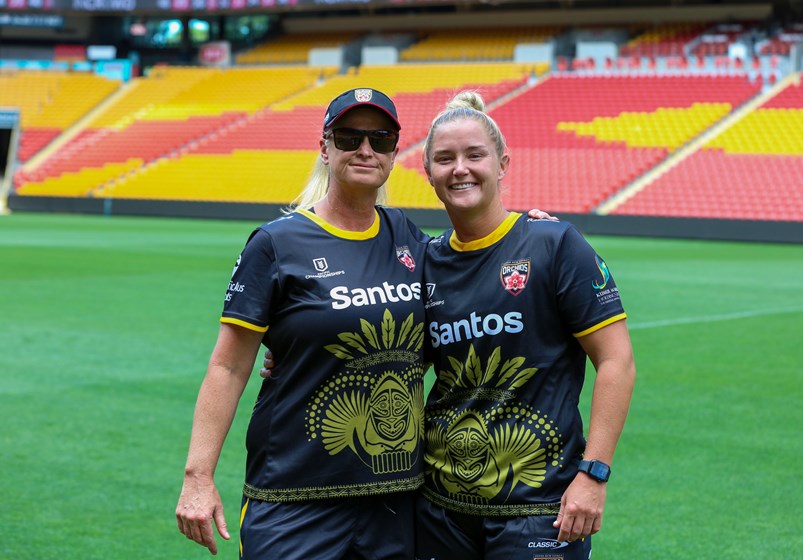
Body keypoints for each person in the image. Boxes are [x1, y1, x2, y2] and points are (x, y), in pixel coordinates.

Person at [175, 88, 431, 559]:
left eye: (381, 138)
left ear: (396, 150)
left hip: (393, 500)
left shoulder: (411, 239)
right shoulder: (276, 243)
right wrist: (198, 477)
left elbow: (472, 280)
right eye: (349, 137)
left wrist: (529, 230)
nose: (365, 149)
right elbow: (228, 367)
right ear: (324, 146)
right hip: (294, 499)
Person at [413, 91, 636, 560]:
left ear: (502, 162)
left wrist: (594, 474)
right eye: (445, 158)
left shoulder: (554, 245)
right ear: (427, 172)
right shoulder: (424, 263)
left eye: (475, 155)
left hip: (540, 508)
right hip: (440, 509)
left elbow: (616, 361)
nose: (461, 169)